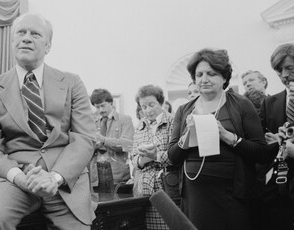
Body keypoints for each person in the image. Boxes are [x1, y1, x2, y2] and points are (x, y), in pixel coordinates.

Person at [0, 13, 96, 230]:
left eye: (35, 34)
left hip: (65, 179)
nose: (26, 38)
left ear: (48, 46)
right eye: (21, 32)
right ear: (12, 42)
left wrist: (54, 178)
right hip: (14, 178)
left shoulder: (72, 83)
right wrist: (19, 178)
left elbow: (84, 139)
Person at [167, 48, 268, 230]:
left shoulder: (241, 104)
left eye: (211, 74)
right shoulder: (184, 110)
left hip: (232, 196)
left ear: (224, 77)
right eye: (199, 75)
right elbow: (172, 157)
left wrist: (227, 136)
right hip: (195, 197)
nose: (204, 79)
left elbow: (262, 153)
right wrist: (186, 138)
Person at [258, 43, 294, 230]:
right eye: (278, 71)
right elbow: (260, 143)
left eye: (289, 68)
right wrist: (278, 142)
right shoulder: (269, 103)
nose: (284, 75)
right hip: (279, 188)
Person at [130, 84, 174, 229]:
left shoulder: (173, 122)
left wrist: (156, 156)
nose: (147, 110)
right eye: (143, 107)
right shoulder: (140, 125)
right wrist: (141, 161)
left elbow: (177, 155)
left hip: (168, 184)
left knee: (169, 224)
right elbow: (133, 158)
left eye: (151, 105)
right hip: (145, 188)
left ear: (161, 102)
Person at [89, 88, 134, 192]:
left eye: (103, 105)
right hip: (96, 174)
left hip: (118, 174)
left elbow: (128, 145)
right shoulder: (91, 122)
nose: (100, 110)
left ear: (110, 102)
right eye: (97, 107)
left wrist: (103, 140)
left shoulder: (125, 119)